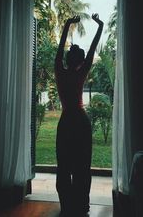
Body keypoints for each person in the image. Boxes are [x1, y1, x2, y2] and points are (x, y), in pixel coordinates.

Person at [54, 13, 104, 217]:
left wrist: (67, 25)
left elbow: (60, 50)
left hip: (67, 122)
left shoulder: (60, 70)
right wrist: (99, 26)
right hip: (80, 121)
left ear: (68, 59)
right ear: (80, 60)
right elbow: (92, 49)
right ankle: (81, 206)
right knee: (82, 166)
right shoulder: (79, 72)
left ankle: (68, 206)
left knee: (65, 166)